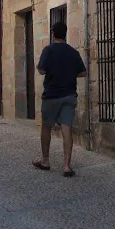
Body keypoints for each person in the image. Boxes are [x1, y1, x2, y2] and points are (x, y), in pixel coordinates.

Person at [33, 22, 87, 177]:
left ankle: (45, 161)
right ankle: (67, 166)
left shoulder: (48, 50)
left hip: (52, 95)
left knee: (46, 127)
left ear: (53, 34)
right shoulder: (73, 53)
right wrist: (70, 74)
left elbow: (42, 70)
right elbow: (83, 73)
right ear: (65, 34)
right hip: (69, 95)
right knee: (67, 128)